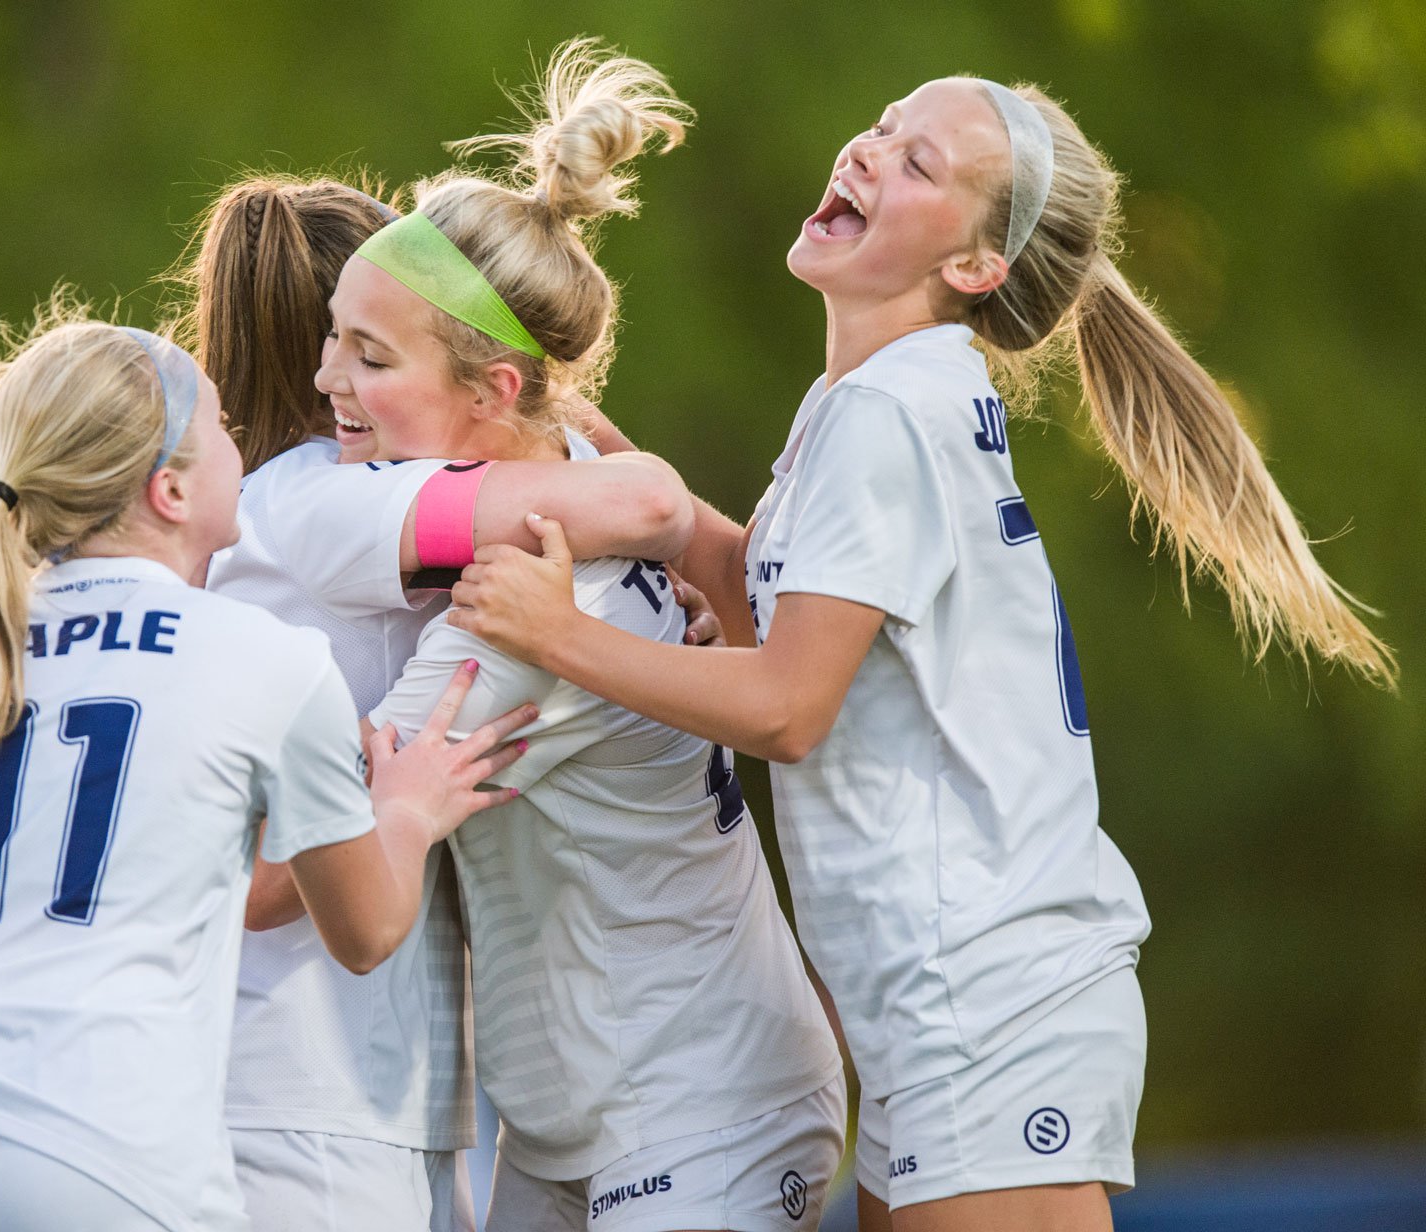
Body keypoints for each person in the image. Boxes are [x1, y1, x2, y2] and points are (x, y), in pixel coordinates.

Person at [446, 77, 1397, 1232]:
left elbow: (788, 704)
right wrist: (622, 481)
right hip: (936, 1003)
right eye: (885, 126)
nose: (869, 149)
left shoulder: (886, 413)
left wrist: (559, 634)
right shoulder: (862, 398)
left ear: (974, 267)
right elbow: (779, 616)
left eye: (918, 164)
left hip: (990, 999)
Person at [0, 299, 536, 1232]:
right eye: (222, 429)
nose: (244, 442)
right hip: (105, 1144)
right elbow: (364, 931)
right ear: (169, 490)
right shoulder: (265, 660)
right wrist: (407, 808)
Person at [282, 41, 847, 1231]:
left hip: (706, 1107)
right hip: (564, 1120)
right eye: (336, 334)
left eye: (370, 356)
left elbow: (313, 873)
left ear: (492, 391)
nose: (328, 376)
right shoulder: (575, 463)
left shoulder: (525, 605)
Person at [170, 171, 707, 1232]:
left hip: (313, 1073)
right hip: (322, 1073)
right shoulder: (333, 495)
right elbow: (639, 498)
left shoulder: (234, 513)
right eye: (356, 342)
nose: (346, 370)